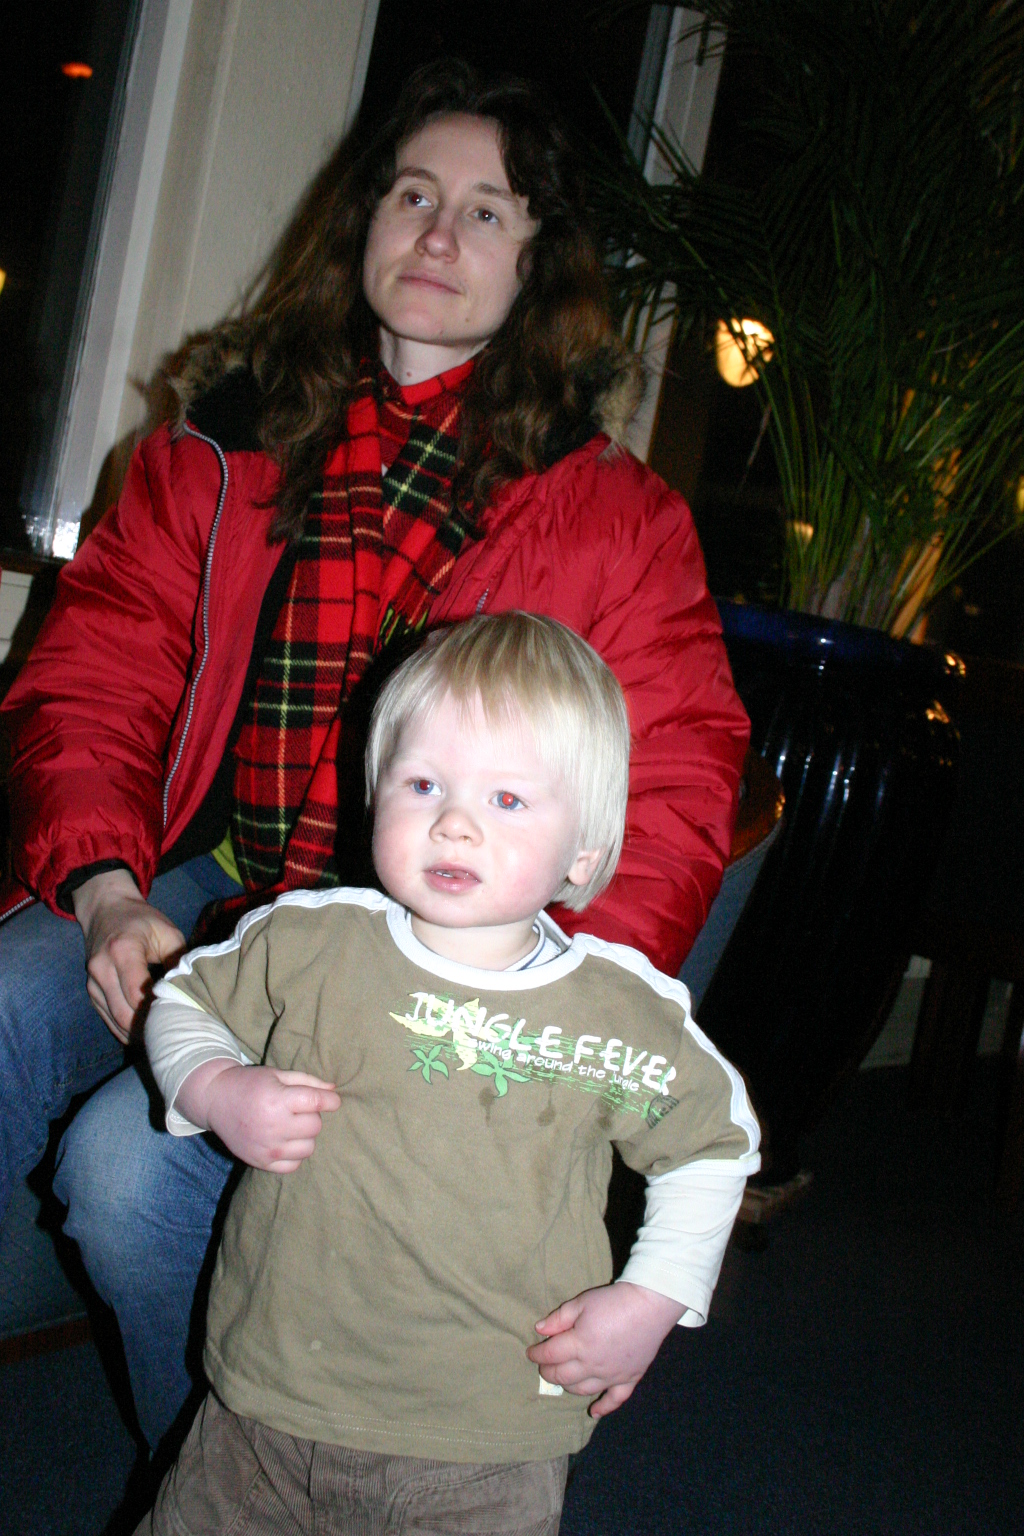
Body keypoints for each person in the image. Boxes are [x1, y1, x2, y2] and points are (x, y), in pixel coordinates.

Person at [0, 60, 749, 1452]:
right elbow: (95, 674)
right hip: (213, 877)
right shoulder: (218, 448)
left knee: (123, 1174)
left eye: (487, 211)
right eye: (413, 195)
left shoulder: (615, 518)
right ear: (364, 222)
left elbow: (675, 789)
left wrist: (526, 1006)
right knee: (2, 1000)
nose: (438, 233)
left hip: (445, 946)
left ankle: (231, 1475)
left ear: (536, 265)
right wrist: (104, 887)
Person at [136, 613, 760, 1535]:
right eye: (423, 783)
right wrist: (214, 1087)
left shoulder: (618, 1013)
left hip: (486, 1445)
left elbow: (713, 1145)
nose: (455, 822)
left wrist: (654, 1295)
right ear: (374, 795)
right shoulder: (308, 940)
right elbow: (179, 1001)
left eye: (507, 799)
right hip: (263, 1407)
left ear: (584, 852)